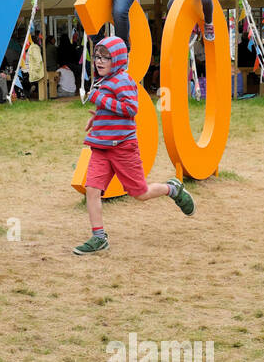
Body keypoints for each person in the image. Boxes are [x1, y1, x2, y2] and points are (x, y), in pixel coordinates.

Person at [72, 38, 194, 255]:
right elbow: (110, 109)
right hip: (101, 147)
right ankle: (99, 237)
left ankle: (172, 188)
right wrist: (98, 118)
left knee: (140, 193)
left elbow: (130, 108)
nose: (99, 61)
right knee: (92, 190)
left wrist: (100, 99)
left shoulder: (123, 81)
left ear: (117, 59)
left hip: (122, 148)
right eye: (97, 56)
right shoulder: (104, 81)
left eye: (105, 57)